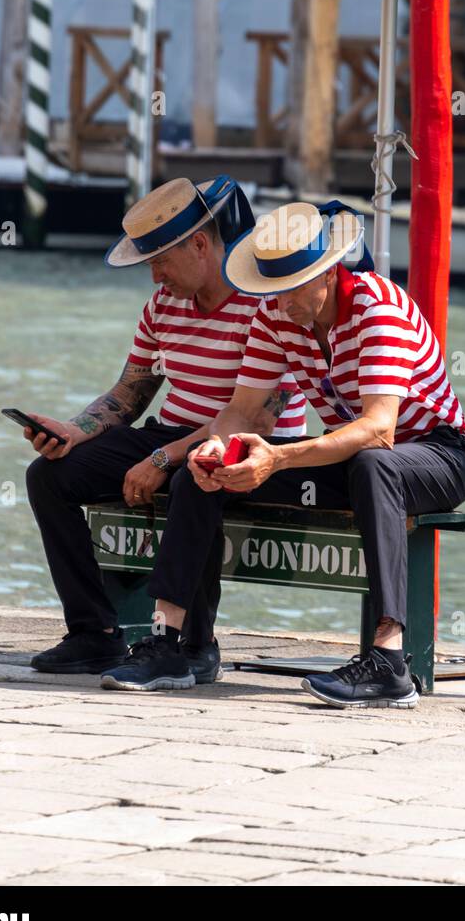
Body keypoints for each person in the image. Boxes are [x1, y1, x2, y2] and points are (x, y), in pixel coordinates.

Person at [102, 200, 465, 708]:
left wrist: (277, 459)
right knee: (201, 470)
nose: (279, 306)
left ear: (326, 274)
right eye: (270, 292)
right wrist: (220, 446)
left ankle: (389, 662)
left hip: (439, 455)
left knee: (373, 463)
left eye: (290, 289)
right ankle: (171, 641)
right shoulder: (274, 313)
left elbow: (378, 430)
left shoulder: (378, 311)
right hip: (353, 455)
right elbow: (240, 411)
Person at [20, 176, 305, 679]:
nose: (155, 277)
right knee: (49, 475)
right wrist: (71, 430)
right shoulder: (162, 306)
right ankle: (95, 634)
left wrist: (163, 458)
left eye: (160, 262)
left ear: (199, 245)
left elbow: (258, 418)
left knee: (191, 474)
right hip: (173, 434)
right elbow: (129, 394)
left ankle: (193, 645)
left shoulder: (264, 305)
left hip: (252, 446)